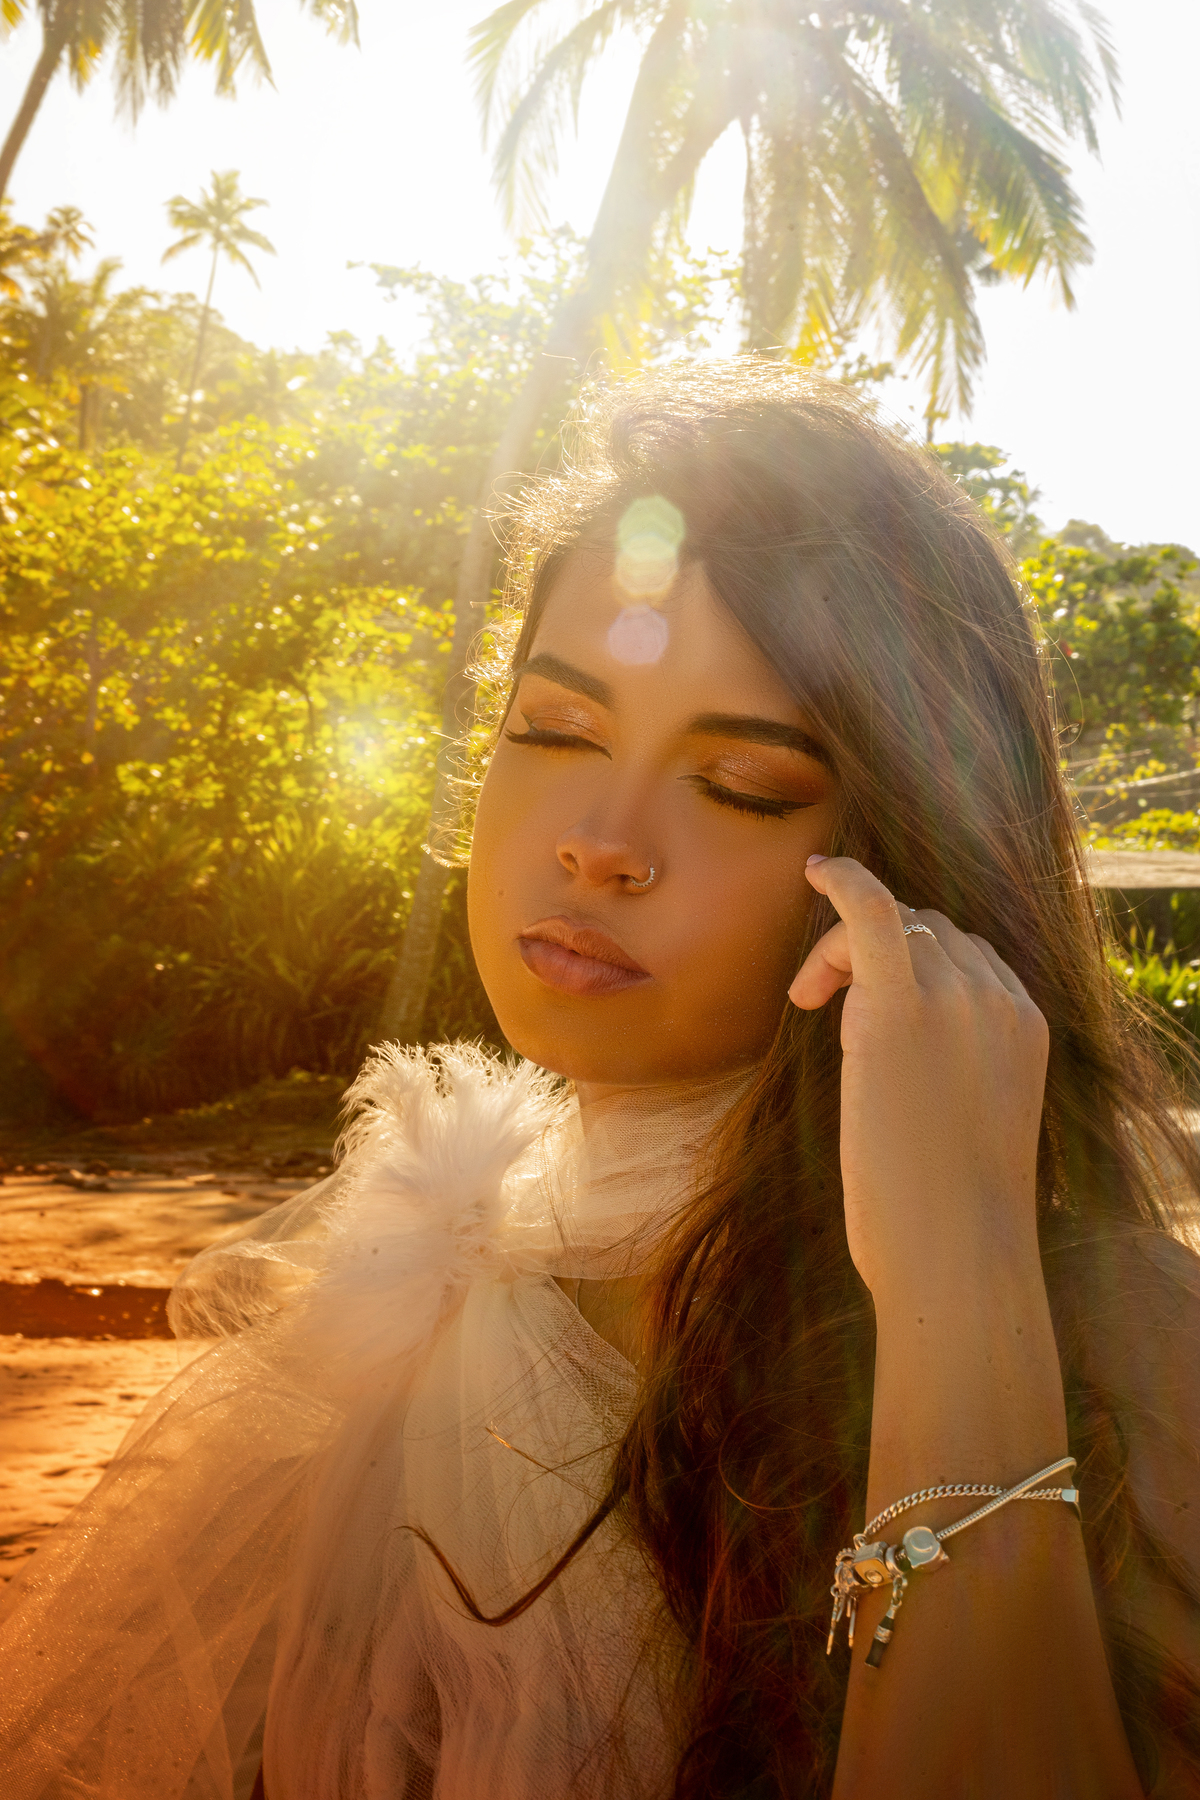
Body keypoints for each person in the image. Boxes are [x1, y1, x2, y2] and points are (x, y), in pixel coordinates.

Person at [2, 362, 1198, 1799]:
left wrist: (961, 1275)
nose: (601, 840)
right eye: (555, 731)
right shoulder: (406, 1285)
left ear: (915, 865)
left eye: (742, 785)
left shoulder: (1118, 1341)